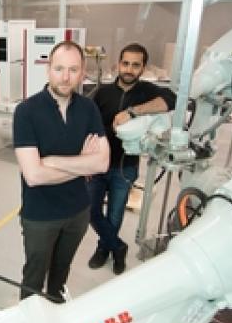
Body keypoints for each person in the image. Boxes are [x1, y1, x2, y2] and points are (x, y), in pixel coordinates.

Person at [13, 40, 110, 302]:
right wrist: (82, 163)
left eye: (73, 69)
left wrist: (52, 161)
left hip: (78, 212)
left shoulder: (88, 108)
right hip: (40, 216)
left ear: (82, 72)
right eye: (59, 69)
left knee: (60, 273)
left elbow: (102, 163)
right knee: (34, 278)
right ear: (48, 69)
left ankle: (56, 312)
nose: (65, 77)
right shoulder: (26, 111)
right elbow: (33, 176)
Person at [88, 43, 177, 274]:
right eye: (125, 63)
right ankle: (118, 247)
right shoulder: (102, 93)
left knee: (115, 215)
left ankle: (104, 249)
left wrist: (133, 112)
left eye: (135, 65)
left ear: (143, 68)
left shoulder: (148, 91)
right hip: (97, 166)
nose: (129, 69)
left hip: (124, 168)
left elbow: (172, 100)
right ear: (118, 64)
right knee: (91, 212)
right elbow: (88, 126)